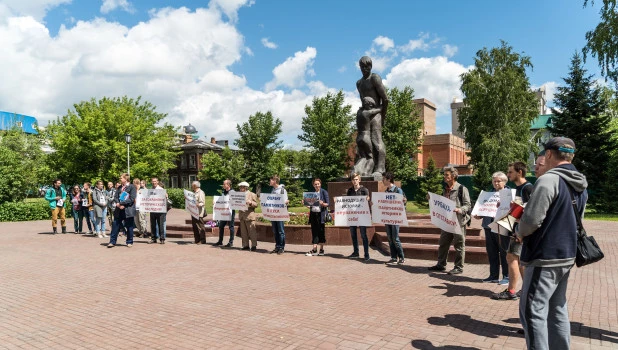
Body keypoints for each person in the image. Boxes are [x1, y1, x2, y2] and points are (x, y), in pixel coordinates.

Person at [514, 137, 588, 349]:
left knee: (532, 310)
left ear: (548, 155)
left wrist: (519, 231)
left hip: (544, 255)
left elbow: (531, 221)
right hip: (567, 253)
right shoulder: (580, 182)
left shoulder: (548, 180)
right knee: (557, 308)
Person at [492, 162, 534, 300]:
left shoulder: (527, 188)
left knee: (511, 258)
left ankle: (512, 291)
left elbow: (530, 211)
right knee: (517, 259)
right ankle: (525, 289)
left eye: (510, 172)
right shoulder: (516, 189)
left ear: (519, 172)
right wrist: (504, 206)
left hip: (521, 231)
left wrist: (521, 231)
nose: (508, 175)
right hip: (516, 229)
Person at [428, 166, 471, 275]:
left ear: (453, 176)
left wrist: (460, 209)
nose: (444, 176)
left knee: (459, 245)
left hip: (458, 222)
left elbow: (468, 205)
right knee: (443, 243)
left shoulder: (461, 189)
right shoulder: (445, 190)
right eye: (444, 174)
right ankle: (441, 265)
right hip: (446, 222)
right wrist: (431, 200)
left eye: (446, 175)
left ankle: (458, 267)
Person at [354, 56, 389, 176]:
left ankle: (380, 168)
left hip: (377, 112)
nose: (365, 69)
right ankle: (365, 168)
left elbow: (385, 99)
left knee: (376, 141)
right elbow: (362, 100)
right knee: (364, 142)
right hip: (366, 112)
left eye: (367, 66)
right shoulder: (359, 83)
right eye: (362, 67)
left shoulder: (375, 78)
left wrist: (382, 116)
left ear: (371, 66)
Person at [476, 172, 509, 284]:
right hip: (488, 226)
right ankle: (493, 276)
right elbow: (482, 209)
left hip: (502, 227)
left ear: (504, 181)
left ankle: (507, 276)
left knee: (504, 252)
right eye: (494, 181)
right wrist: (478, 214)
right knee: (492, 252)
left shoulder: (510, 194)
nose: (496, 183)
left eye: (498, 181)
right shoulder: (487, 194)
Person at [382, 172, 406, 265]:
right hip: (387, 217)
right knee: (389, 238)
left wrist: (404, 201)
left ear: (388, 179)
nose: (382, 181)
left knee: (395, 238)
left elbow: (404, 201)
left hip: (395, 218)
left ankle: (401, 257)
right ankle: (393, 257)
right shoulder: (386, 191)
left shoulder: (397, 190)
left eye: (383, 179)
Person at [107, 173, 137, 248]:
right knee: (115, 225)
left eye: (121, 178)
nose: (120, 179)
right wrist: (117, 203)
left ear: (126, 179)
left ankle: (129, 242)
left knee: (129, 226)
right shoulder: (120, 187)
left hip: (128, 209)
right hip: (118, 209)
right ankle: (112, 242)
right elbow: (116, 196)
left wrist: (123, 204)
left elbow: (132, 198)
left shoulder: (132, 187)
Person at [347, 173, 371, 261]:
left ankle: (366, 254)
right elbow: (347, 203)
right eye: (353, 179)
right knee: (353, 234)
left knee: (363, 235)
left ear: (359, 180)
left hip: (362, 216)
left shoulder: (364, 190)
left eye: (356, 179)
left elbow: (368, 200)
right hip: (352, 215)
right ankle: (356, 252)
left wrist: (368, 199)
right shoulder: (350, 191)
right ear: (351, 181)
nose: (355, 181)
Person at [355, 97, 383, 174]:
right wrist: (382, 105)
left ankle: (356, 171)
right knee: (371, 157)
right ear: (368, 104)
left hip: (358, 137)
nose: (371, 106)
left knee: (363, 157)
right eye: (370, 105)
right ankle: (366, 172)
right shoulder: (367, 113)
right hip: (365, 136)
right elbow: (378, 110)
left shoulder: (359, 112)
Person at [305, 178, 330, 256]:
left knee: (321, 231)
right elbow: (310, 206)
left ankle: (321, 249)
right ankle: (314, 249)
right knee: (314, 231)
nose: (317, 185)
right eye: (315, 184)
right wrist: (306, 203)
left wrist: (323, 203)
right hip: (313, 214)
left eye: (318, 184)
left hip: (321, 214)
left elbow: (328, 204)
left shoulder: (324, 192)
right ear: (313, 185)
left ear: (320, 184)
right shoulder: (312, 194)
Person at [269, 175, 289, 255]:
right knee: (275, 230)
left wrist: (283, 202)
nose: (269, 182)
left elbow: (286, 200)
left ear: (275, 181)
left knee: (281, 231)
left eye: (270, 180)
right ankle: (277, 246)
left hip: (280, 213)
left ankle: (281, 247)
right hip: (273, 213)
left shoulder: (282, 190)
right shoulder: (273, 190)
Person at [215, 179, 236, 248]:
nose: (223, 185)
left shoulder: (232, 192)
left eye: (224, 184)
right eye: (223, 184)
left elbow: (235, 201)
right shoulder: (223, 192)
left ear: (228, 185)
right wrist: (215, 203)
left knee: (231, 227)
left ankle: (231, 242)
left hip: (230, 212)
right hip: (224, 212)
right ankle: (220, 241)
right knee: (221, 226)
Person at [238, 181, 258, 251]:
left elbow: (256, 204)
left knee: (252, 231)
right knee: (243, 232)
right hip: (242, 216)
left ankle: (254, 245)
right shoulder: (238, 195)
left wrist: (251, 203)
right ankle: (245, 245)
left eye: (241, 187)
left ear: (245, 188)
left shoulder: (252, 194)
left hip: (249, 215)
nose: (240, 188)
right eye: (240, 187)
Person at [149, 177, 167, 244]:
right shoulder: (150, 190)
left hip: (160, 210)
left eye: (155, 181)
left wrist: (166, 196)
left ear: (157, 182)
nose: (154, 183)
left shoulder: (161, 189)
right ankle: (153, 238)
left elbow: (164, 198)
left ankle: (162, 238)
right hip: (153, 209)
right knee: (153, 224)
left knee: (160, 224)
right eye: (153, 181)